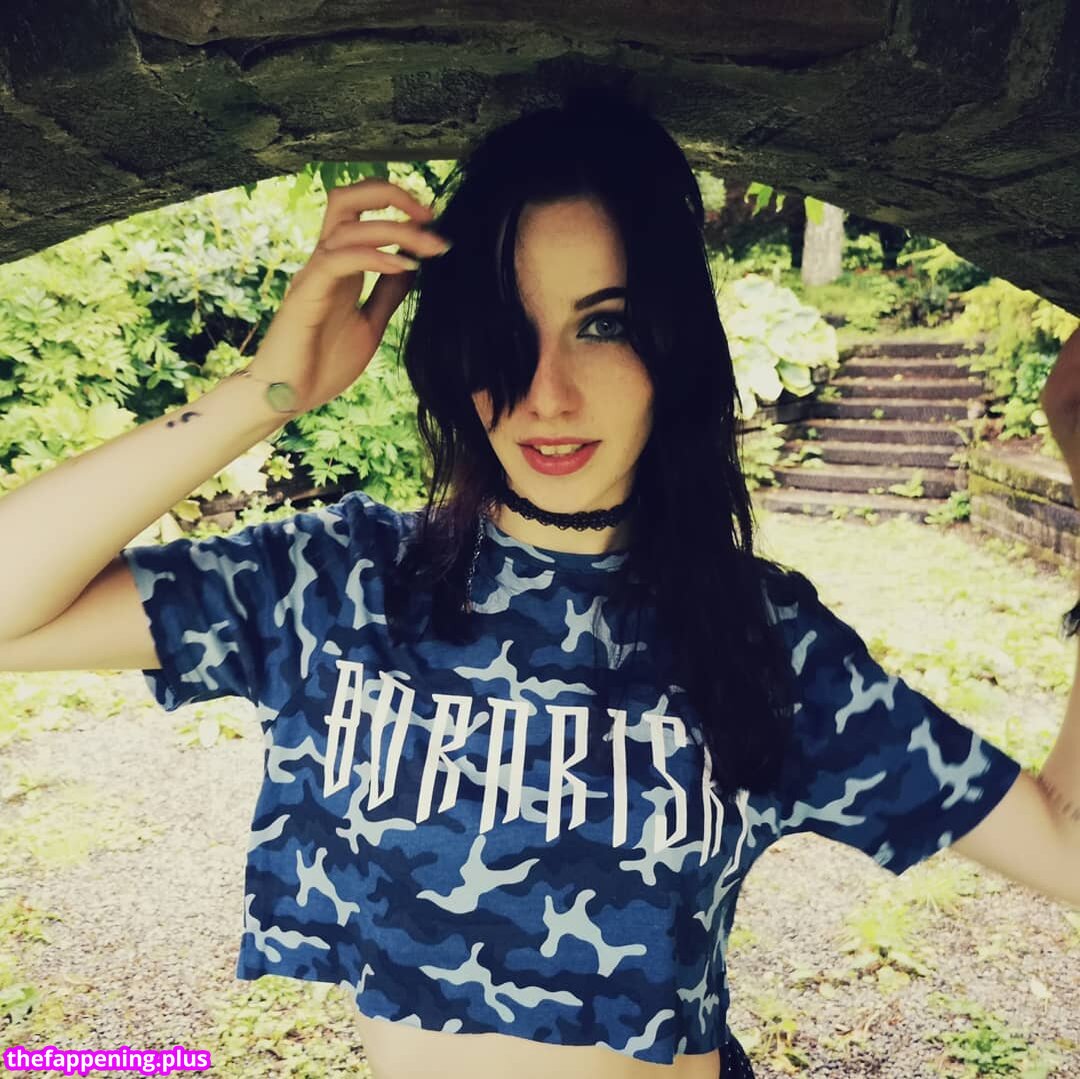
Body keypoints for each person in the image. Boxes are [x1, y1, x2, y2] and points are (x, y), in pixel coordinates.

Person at [0, 85, 1051, 1079]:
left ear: (671, 344)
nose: (547, 394)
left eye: (604, 322)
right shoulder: (338, 585)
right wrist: (261, 392)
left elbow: (1065, 843)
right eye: (508, 327)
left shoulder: (759, 637)